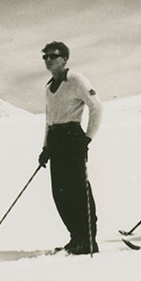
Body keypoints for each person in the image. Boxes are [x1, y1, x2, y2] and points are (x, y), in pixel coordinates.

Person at [38, 42, 103, 255]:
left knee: (77, 191)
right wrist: (46, 148)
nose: (48, 60)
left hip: (72, 137)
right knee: (60, 194)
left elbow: (97, 107)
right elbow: (49, 120)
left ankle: (88, 240)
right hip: (57, 140)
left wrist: (87, 138)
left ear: (64, 59)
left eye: (53, 56)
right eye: (45, 56)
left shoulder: (76, 80)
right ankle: (76, 238)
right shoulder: (49, 87)